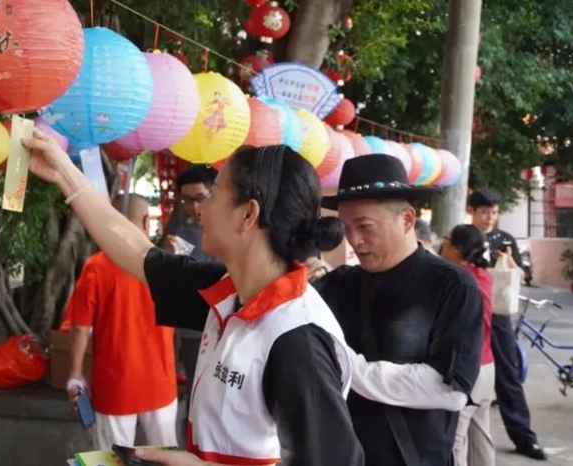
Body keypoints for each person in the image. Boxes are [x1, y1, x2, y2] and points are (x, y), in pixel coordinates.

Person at [23, 131, 365, 466]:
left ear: (248, 214)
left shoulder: (297, 339)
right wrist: (64, 173)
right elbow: (138, 254)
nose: (199, 210)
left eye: (213, 194)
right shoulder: (228, 289)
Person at [315, 155, 484, 466]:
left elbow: (449, 390)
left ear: (407, 219)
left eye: (364, 226)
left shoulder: (453, 286)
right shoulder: (340, 283)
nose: (354, 240)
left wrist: (349, 366)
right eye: (346, 228)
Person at [66, 194, 178, 450]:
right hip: (160, 383)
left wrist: (75, 373)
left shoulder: (96, 267)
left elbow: (80, 327)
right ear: (146, 222)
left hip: (115, 386)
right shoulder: (167, 264)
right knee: (167, 457)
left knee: (111, 459)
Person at [469, 188, 547, 461]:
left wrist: (512, 263)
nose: (489, 217)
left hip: (498, 316)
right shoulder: (462, 237)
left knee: (508, 376)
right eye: (483, 212)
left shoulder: (505, 240)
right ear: (472, 212)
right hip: (468, 317)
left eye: (493, 212)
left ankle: (525, 438)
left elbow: (522, 276)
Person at [441, 225, 496, 466]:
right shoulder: (484, 275)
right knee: (481, 434)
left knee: (455, 440)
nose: (443, 244)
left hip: (469, 368)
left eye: (447, 239)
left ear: (457, 248)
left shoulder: (458, 279)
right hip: (487, 365)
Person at [162, 166, 218, 391]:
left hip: (227, 323)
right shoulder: (179, 231)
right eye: (186, 200)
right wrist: (168, 258)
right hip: (194, 328)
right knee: (198, 389)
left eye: (200, 198)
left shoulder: (232, 228)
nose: (193, 207)